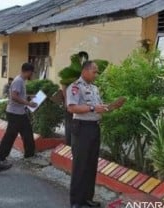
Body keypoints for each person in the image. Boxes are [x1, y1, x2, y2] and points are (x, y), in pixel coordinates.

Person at [66, 61, 125, 208]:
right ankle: (76, 202)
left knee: (91, 165)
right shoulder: (75, 87)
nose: (96, 74)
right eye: (94, 71)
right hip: (81, 128)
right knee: (80, 165)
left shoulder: (94, 89)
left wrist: (110, 107)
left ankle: (87, 198)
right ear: (85, 71)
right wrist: (93, 108)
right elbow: (72, 108)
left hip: (94, 128)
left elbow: (98, 107)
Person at [0, 63, 37, 162]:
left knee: (27, 132)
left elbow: (19, 94)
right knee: (10, 135)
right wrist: (28, 103)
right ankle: (0, 156)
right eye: (32, 73)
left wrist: (29, 96)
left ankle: (29, 154)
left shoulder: (21, 80)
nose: (32, 75)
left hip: (20, 112)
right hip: (14, 113)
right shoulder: (18, 81)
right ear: (28, 72)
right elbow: (14, 96)